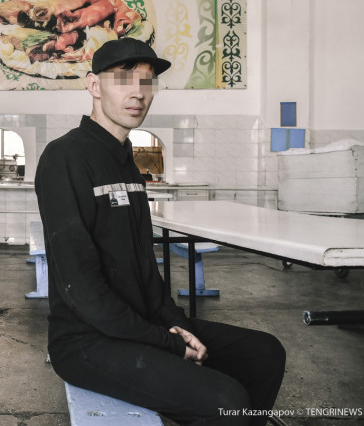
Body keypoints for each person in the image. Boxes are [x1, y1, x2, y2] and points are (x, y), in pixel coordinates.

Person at [34, 38, 285, 425]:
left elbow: (144, 267)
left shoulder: (127, 163)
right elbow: (81, 288)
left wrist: (175, 323)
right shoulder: (65, 157)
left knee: (265, 352)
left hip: (142, 324)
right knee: (226, 399)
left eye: (147, 82)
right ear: (94, 85)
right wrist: (168, 343)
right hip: (87, 341)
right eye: (124, 79)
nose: (138, 93)